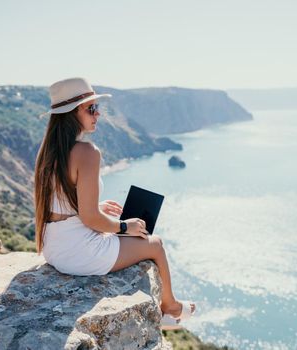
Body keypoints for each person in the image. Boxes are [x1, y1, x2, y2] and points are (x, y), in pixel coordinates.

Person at [34, 77, 195, 329]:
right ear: (71, 114)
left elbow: (65, 206)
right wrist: (123, 226)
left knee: (138, 234)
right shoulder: (87, 153)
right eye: (91, 108)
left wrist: (96, 209)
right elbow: (90, 220)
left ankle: (168, 307)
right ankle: (170, 307)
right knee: (155, 244)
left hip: (54, 247)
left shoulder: (50, 151)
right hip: (78, 253)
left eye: (97, 107)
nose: (97, 114)